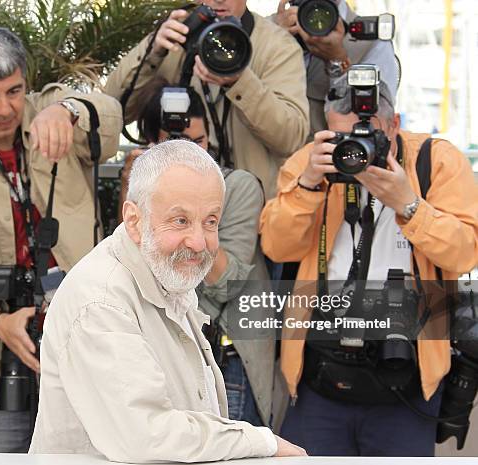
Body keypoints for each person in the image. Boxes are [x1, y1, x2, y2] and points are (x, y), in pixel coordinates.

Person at [29, 139, 306, 461]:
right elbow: (145, 435)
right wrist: (259, 441)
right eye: (180, 220)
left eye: (211, 221)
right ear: (134, 220)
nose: (199, 242)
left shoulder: (162, 273)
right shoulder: (101, 301)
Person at [0, 25, 123, 453]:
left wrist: (69, 109)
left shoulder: (55, 111)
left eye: (14, 91)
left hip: (85, 351)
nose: (5, 108)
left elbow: (111, 115)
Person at [259, 78, 478, 456]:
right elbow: (277, 247)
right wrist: (310, 185)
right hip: (319, 371)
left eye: (366, 135)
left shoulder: (435, 160)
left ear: (394, 126)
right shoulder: (311, 162)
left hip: (407, 369)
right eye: (340, 137)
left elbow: (464, 253)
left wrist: (408, 203)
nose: (352, 149)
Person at [117, 80, 273, 427]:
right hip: (156, 354)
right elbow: (128, 264)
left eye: (198, 142)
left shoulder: (238, 186)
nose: (191, 154)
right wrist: (139, 189)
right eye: (176, 144)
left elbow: (225, 283)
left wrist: (191, 216)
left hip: (222, 355)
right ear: (152, 145)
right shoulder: (140, 191)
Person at [105, 0, 309, 200]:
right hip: (173, 204)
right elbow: (109, 115)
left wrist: (240, 81)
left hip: (248, 208)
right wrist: (152, 51)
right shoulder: (175, 36)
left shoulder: (276, 45)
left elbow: (290, 138)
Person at [272, 0, 399, 138]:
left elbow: (379, 123)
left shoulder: (371, 40)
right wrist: (273, 46)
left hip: (333, 156)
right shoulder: (261, 31)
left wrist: (338, 61)